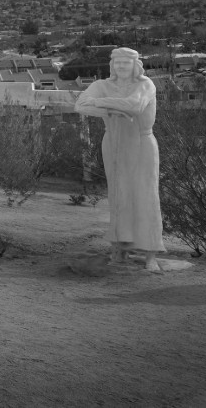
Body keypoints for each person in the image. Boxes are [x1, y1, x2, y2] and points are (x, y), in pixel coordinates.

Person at [75, 47, 163, 271]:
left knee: (145, 195)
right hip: (113, 143)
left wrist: (102, 103)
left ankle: (150, 253)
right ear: (112, 65)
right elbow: (80, 105)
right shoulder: (101, 85)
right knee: (119, 195)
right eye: (118, 63)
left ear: (136, 65)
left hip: (142, 143)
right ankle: (120, 249)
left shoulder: (145, 84)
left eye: (126, 63)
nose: (122, 67)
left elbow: (135, 105)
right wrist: (112, 108)